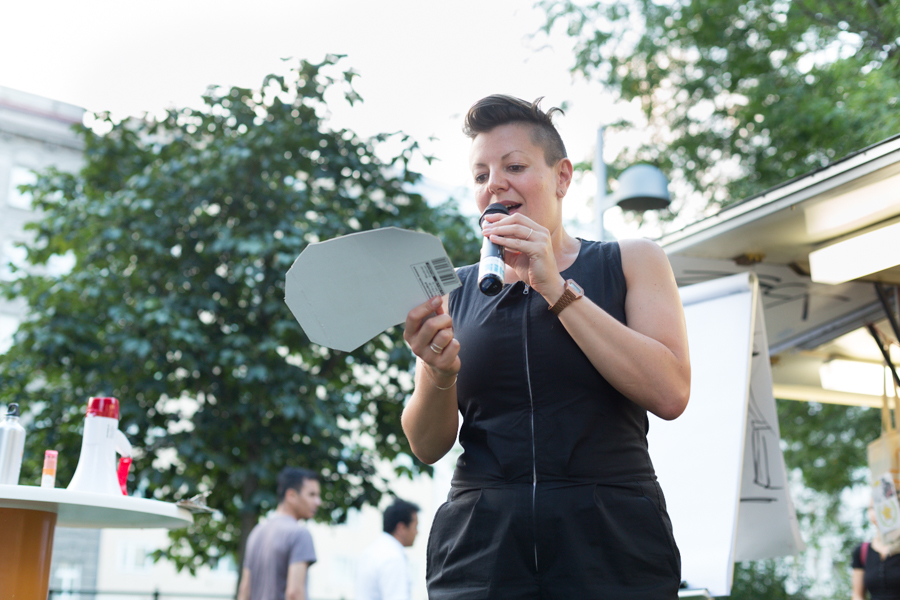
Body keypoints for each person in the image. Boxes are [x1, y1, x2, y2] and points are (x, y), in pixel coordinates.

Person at [401, 95, 691, 599]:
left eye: (514, 167)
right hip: (482, 554)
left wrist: (555, 287)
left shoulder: (632, 261)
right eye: (480, 175)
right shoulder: (452, 290)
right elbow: (427, 446)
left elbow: (670, 393)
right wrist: (437, 371)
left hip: (611, 549)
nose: (494, 184)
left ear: (562, 177)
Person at [238, 467, 322, 600]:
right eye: (312, 495)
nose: (318, 502)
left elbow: (244, 591)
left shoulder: (257, 531)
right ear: (291, 496)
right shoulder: (300, 534)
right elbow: (294, 593)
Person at [355, 498, 421, 600]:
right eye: (415, 527)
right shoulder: (393, 558)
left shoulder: (371, 551)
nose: (417, 532)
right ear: (401, 528)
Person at [852, 499, 900, 600]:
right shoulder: (862, 551)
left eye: (883, 507)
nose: (878, 511)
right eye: (873, 508)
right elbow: (857, 595)